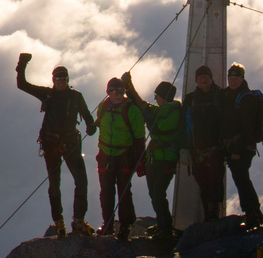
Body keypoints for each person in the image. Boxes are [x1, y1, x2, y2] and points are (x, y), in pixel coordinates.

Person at [16, 52, 97, 236]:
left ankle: (78, 221)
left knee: (81, 181)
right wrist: (22, 64)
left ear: (68, 79)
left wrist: (91, 126)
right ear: (54, 80)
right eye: (59, 79)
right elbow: (22, 84)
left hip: (69, 142)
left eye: (64, 79)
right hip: (52, 143)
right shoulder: (48, 94)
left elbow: (86, 115)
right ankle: (59, 220)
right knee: (54, 183)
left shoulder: (75, 96)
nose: (61, 82)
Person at [93, 74, 147, 241]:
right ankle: (108, 225)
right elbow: (99, 123)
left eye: (120, 91)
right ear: (108, 92)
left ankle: (125, 226)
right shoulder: (103, 107)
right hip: (105, 156)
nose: (117, 94)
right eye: (114, 91)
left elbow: (139, 137)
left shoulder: (132, 110)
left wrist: (140, 159)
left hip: (125, 156)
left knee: (123, 192)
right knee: (106, 192)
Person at [222, 63, 263, 228]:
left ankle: (251, 214)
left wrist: (236, 149)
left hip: (242, 147)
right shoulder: (229, 94)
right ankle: (255, 212)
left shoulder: (245, 98)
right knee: (242, 178)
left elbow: (247, 127)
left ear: (242, 79)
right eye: (231, 78)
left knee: (241, 179)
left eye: (236, 78)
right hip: (237, 145)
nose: (233, 81)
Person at [183, 65, 229, 219]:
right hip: (197, 148)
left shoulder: (221, 95)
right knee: (202, 181)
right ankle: (209, 213)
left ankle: (214, 207)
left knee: (215, 176)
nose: (203, 80)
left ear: (211, 79)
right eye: (200, 78)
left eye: (206, 77)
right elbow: (185, 124)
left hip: (216, 145)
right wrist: (186, 148)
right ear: (196, 80)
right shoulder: (190, 99)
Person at [143, 80, 185, 243]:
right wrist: (129, 86)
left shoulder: (173, 112)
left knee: (158, 194)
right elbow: (143, 105)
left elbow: (159, 129)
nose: (155, 99)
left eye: (157, 96)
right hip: (156, 159)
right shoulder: (163, 110)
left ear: (164, 97)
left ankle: (166, 227)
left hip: (166, 159)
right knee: (154, 193)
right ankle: (162, 223)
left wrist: (148, 120)